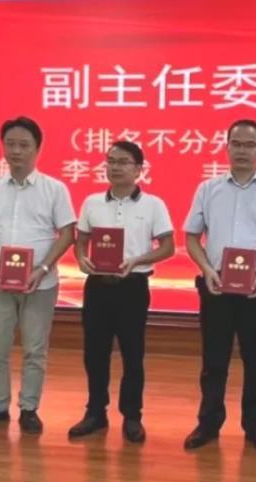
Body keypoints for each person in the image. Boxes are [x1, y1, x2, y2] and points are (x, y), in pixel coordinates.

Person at [182, 119, 256, 456]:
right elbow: (191, 236)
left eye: (250, 145)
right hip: (217, 284)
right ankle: (208, 424)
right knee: (214, 360)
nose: (242, 151)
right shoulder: (208, 189)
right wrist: (207, 269)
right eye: (236, 143)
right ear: (226, 147)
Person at [0, 117, 76, 435]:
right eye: (10, 144)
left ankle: (29, 408)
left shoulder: (55, 189)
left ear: (37, 149)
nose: (16, 151)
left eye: (24, 145)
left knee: (35, 350)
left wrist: (42, 269)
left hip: (41, 285)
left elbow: (67, 233)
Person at [68, 141, 175, 443]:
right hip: (97, 287)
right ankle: (95, 412)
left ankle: (132, 416)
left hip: (133, 287)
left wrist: (138, 260)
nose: (115, 167)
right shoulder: (92, 202)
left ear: (139, 169)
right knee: (95, 353)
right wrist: (81, 258)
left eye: (123, 162)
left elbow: (167, 247)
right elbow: (81, 241)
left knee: (132, 354)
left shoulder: (153, 205)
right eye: (111, 161)